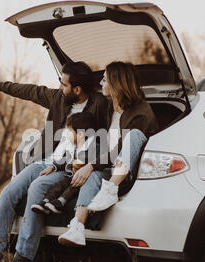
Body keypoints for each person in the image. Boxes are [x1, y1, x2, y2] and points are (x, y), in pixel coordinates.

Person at [0, 62, 108, 262]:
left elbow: (105, 140)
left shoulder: (100, 104)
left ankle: (22, 261)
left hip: (68, 167)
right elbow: (31, 91)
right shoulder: (59, 99)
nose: (60, 87)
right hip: (44, 162)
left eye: (64, 84)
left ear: (78, 89)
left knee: (36, 189)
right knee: (8, 193)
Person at [58, 61, 160, 247]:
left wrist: (91, 165)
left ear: (116, 83)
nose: (101, 84)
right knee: (93, 175)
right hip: (109, 168)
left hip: (129, 173)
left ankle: (110, 189)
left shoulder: (141, 113)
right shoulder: (110, 109)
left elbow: (118, 150)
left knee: (134, 136)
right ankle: (77, 227)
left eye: (105, 80)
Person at [31, 112, 99, 215]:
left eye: (69, 132)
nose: (67, 135)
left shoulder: (94, 146)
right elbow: (65, 160)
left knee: (72, 187)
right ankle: (45, 202)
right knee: (59, 185)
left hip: (84, 179)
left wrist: (82, 165)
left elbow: (96, 162)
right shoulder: (74, 147)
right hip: (72, 176)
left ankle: (60, 202)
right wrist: (52, 167)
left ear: (80, 134)